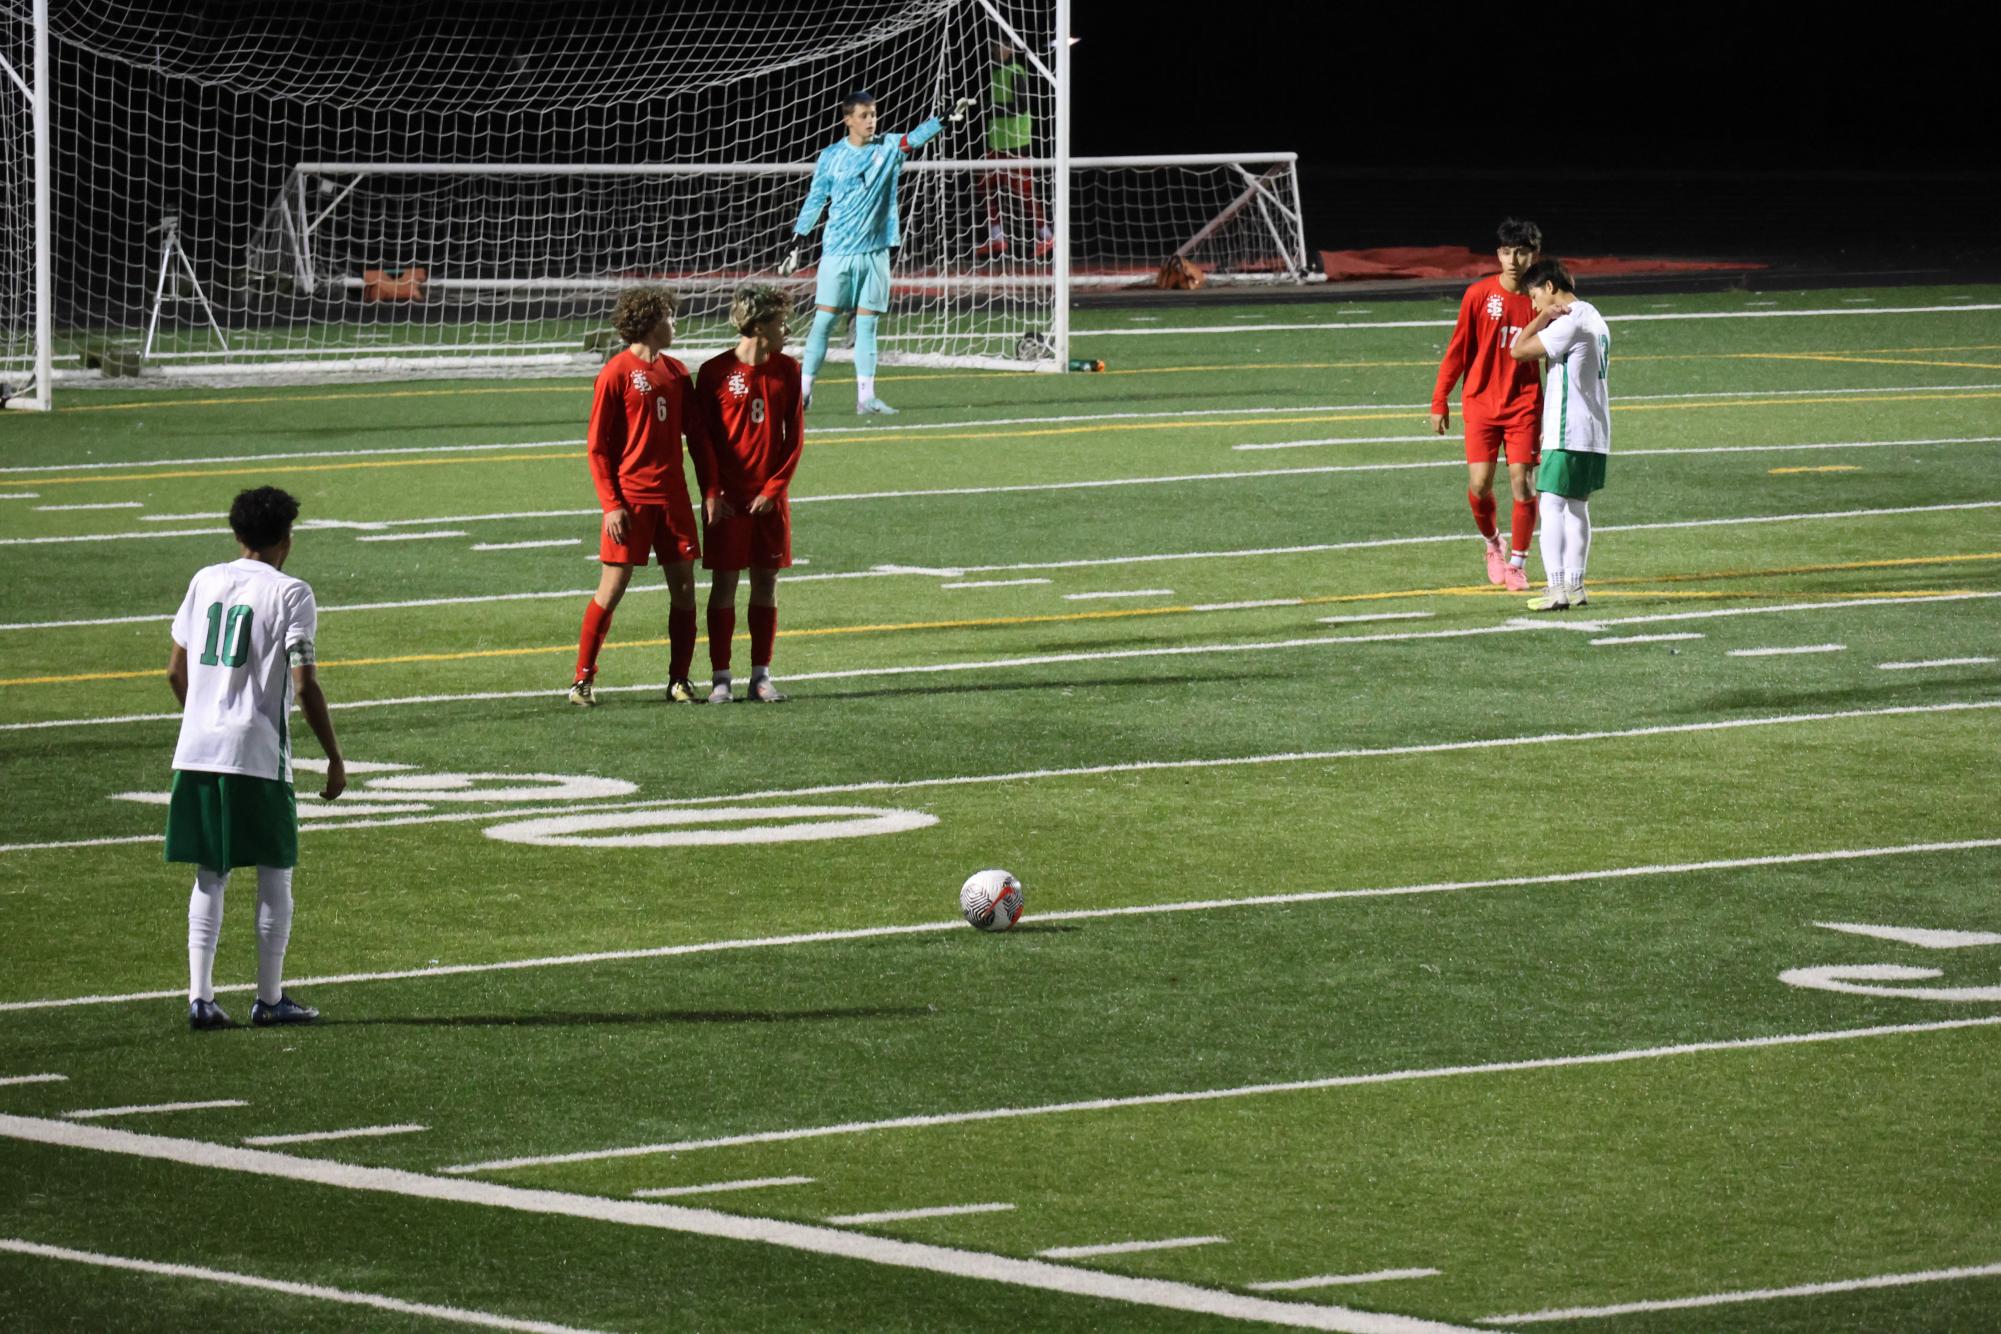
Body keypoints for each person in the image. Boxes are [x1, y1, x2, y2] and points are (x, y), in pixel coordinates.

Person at [167, 486, 345, 1031]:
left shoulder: (204, 580)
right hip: (257, 751)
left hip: (197, 749)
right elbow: (303, 686)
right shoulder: (292, 593)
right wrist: (335, 757)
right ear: (286, 539)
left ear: (237, 534)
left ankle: (200, 997)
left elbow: (176, 671)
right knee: (275, 874)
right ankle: (269, 998)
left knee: (210, 872)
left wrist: (203, 717)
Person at [779, 88, 974, 416]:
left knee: (867, 327)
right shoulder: (830, 157)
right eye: (864, 116)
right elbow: (815, 200)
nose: (871, 121)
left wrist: (944, 120)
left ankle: (866, 399)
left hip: (876, 253)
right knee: (824, 322)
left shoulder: (888, 147)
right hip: (838, 253)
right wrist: (797, 241)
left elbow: (913, 138)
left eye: (873, 115)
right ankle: (804, 393)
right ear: (848, 120)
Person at [569, 286, 719, 706]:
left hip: (673, 500)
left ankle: (679, 680)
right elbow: (597, 446)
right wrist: (611, 504)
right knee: (612, 589)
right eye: (670, 317)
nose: (675, 324)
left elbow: (699, 440)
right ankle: (582, 679)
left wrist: (709, 491)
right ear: (652, 322)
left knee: (685, 590)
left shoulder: (676, 372)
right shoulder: (616, 372)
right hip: (631, 502)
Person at [694, 284, 805, 703]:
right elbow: (701, 442)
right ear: (757, 326)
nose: (787, 329)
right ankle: (720, 677)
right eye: (779, 322)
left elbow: (793, 439)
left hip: (769, 501)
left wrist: (775, 489)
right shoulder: (713, 372)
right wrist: (710, 492)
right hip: (726, 501)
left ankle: (761, 676)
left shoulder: (788, 371)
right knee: (723, 585)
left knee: (766, 583)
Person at [1431, 218, 1546, 592]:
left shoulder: (1542, 301)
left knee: (1523, 484)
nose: (1513, 260)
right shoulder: (1479, 295)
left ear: (1535, 254)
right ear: (1498, 254)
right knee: (1479, 486)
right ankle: (1493, 543)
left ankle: (1517, 564)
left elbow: (1556, 358)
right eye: (1507, 251)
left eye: (1522, 251)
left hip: (1524, 405)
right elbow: (1458, 350)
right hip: (1480, 403)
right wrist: (1440, 399)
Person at [1509, 257, 1611, 611]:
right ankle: (1575, 585)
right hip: (1594, 430)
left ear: (1550, 287)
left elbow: (1518, 350)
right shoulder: (1595, 316)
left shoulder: (1569, 319)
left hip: (1567, 428)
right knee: (1577, 506)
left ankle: (1556, 589)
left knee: (1551, 504)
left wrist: (1540, 318)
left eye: (1534, 296)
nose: (1533, 303)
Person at [973, 41, 1053, 261]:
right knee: (983, 185)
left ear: (1009, 48)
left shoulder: (1016, 72)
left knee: (1025, 195)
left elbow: (1021, 106)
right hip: (997, 144)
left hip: (1017, 144)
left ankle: (1046, 236)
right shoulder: (996, 74)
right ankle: (996, 236)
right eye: (992, 49)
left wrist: (989, 108)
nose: (994, 52)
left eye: (998, 48)